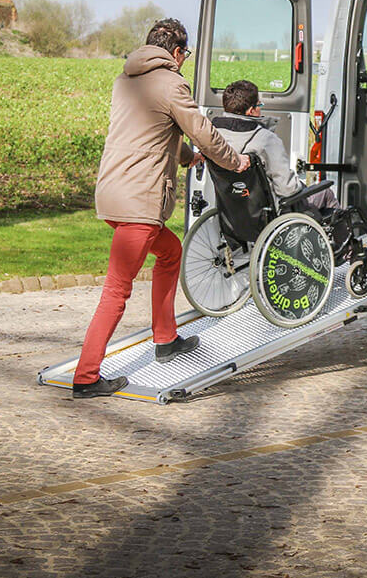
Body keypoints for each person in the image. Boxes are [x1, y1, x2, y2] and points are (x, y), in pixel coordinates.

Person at [72, 20, 250, 399]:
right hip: (140, 202)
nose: (184, 60)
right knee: (117, 291)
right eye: (185, 53)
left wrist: (187, 157)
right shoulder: (171, 83)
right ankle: (86, 377)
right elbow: (201, 129)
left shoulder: (126, 81)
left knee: (171, 252)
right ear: (175, 51)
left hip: (112, 196)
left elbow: (151, 132)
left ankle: (166, 338)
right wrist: (235, 162)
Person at [211, 80, 339, 212]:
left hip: (233, 213)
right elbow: (287, 189)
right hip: (271, 213)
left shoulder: (213, 138)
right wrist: (298, 185)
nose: (260, 108)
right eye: (259, 105)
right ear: (251, 111)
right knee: (326, 193)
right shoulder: (266, 139)